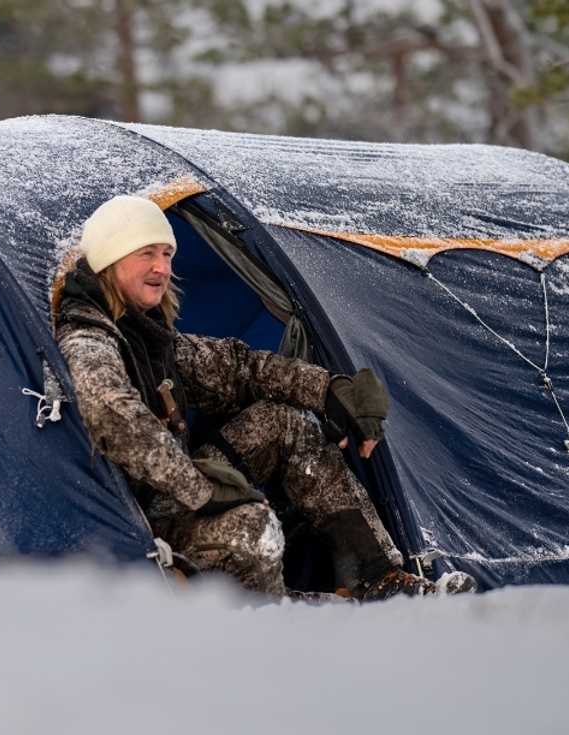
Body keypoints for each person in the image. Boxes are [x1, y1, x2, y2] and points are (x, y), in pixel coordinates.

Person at [54, 195, 472, 600]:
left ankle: (379, 579)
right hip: (133, 525)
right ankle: (272, 624)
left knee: (287, 421)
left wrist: (329, 390)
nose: (162, 268)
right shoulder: (88, 338)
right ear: (109, 259)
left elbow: (240, 370)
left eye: (167, 254)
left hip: (169, 499)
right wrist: (200, 489)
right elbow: (114, 417)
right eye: (147, 253)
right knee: (253, 526)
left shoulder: (149, 338)